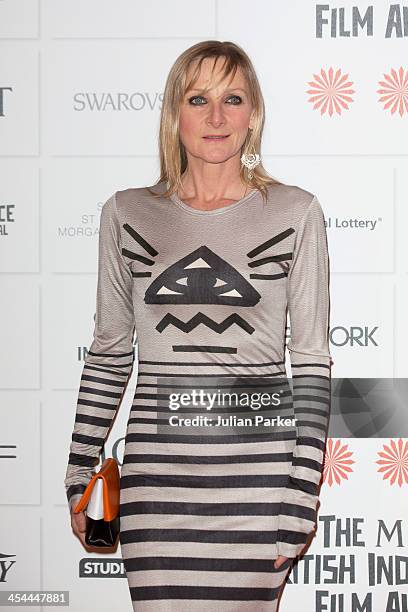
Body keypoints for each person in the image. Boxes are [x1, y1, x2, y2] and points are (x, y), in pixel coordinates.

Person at [65, 40, 332, 612]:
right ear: (174, 114)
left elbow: (310, 361)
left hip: (260, 489)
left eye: (233, 98)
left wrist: (302, 493)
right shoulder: (127, 214)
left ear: (252, 114)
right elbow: (111, 353)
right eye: (199, 98)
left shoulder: (296, 213)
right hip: (157, 488)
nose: (216, 117)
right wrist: (79, 474)